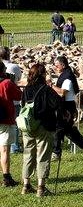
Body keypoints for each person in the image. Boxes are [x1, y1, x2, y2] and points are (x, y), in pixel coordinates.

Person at [19, 63, 63, 197]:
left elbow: (22, 104)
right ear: (43, 75)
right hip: (44, 125)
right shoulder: (46, 89)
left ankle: (26, 185)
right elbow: (57, 103)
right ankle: (41, 187)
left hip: (28, 126)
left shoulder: (26, 89)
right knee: (43, 155)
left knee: (28, 154)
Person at [50, 56, 83, 160]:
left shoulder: (67, 77)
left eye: (56, 65)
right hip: (66, 105)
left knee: (59, 128)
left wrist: (51, 85)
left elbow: (62, 93)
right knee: (68, 131)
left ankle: (56, 153)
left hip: (66, 107)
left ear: (63, 65)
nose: (55, 67)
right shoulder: (66, 74)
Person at [0, 61, 22, 186]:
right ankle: (7, 178)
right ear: (3, 71)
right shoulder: (7, 83)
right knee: (4, 150)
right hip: (5, 120)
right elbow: (19, 96)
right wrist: (13, 82)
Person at [0, 48, 22, 154]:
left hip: (1, 101)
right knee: (14, 123)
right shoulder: (14, 67)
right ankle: (15, 146)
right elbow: (18, 79)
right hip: (12, 102)